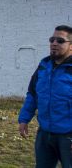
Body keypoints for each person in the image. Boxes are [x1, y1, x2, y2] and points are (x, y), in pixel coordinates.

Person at [18, 25, 72, 168]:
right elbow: (33, 94)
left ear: (71, 46)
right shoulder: (44, 66)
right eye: (52, 39)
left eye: (60, 40)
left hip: (68, 136)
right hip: (45, 134)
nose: (54, 43)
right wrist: (24, 119)